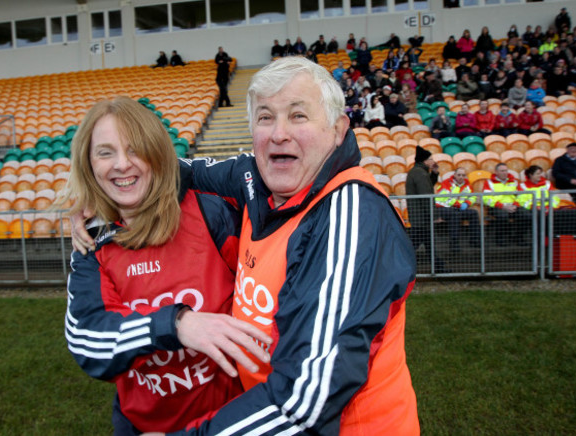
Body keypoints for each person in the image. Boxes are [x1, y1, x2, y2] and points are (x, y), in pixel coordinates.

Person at [137, 56, 420, 434]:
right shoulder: (255, 176)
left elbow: (307, 397)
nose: (278, 133)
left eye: (298, 116)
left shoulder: (352, 215)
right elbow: (183, 171)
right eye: (265, 117)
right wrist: (99, 196)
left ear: (338, 130)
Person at [61, 97, 272, 434]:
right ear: (87, 163)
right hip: (144, 427)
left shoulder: (209, 210)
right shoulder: (94, 238)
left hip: (228, 420)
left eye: (136, 150)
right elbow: (87, 339)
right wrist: (175, 325)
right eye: (105, 152)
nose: (121, 164)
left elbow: (275, 172)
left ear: (157, 153)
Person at [406, 146, 448, 272]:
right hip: (422, 218)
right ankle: (399, 265)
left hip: (420, 217)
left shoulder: (420, 172)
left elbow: (428, 186)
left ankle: (438, 267)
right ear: (424, 161)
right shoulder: (420, 173)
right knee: (418, 245)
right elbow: (426, 197)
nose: (433, 161)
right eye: (430, 159)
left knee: (426, 244)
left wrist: (434, 174)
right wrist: (434, 217)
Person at [483, 163, 531, 246]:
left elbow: (521, 196)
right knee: (502, 216)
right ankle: (500, 239)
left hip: (513, 205)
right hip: (497, 206)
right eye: (502, 171)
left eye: (506, 170)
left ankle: (518, 238)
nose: (505, 173)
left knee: (526, 215)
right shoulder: (489, 182)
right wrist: (502, 206)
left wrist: (515, 204)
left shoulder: (514, 181)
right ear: (496, 172)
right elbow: (486, 198)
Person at [435, 167, 480, 252]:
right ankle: (454, 244)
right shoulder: (446, 183)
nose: (461, 177)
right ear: (454, 175)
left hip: (458, 208)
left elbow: (473, 197)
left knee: (474, 213)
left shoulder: (467, 185)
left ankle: (475, 241)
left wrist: (467, 203)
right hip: (443, 208)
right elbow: (443, 198)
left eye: (463, 175)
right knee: (455, 215)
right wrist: (459, 204)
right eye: (459, 175)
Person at [551, 142, 576, 208]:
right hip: (566, 185)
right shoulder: (559, 160)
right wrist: (569, 180)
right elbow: (556, 173)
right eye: (571, 149)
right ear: (567, 150)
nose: (573, 150)